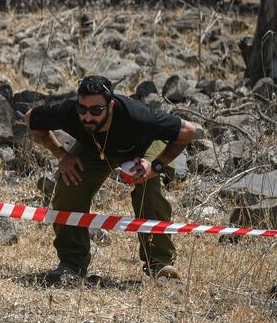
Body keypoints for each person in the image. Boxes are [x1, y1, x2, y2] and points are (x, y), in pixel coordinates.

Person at [25, 74, 197, 282]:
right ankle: (71, 263)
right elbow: (31, 118)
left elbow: (188, 130)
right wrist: (63, 155)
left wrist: (155, 166)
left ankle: (159, 263)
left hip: (143, 148)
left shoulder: (138, 116)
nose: (87, 116)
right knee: (69, 184)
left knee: (149, 188)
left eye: (96, 110)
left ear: (111, 106)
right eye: (82, 109)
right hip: (94, 149)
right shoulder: (69, 111)